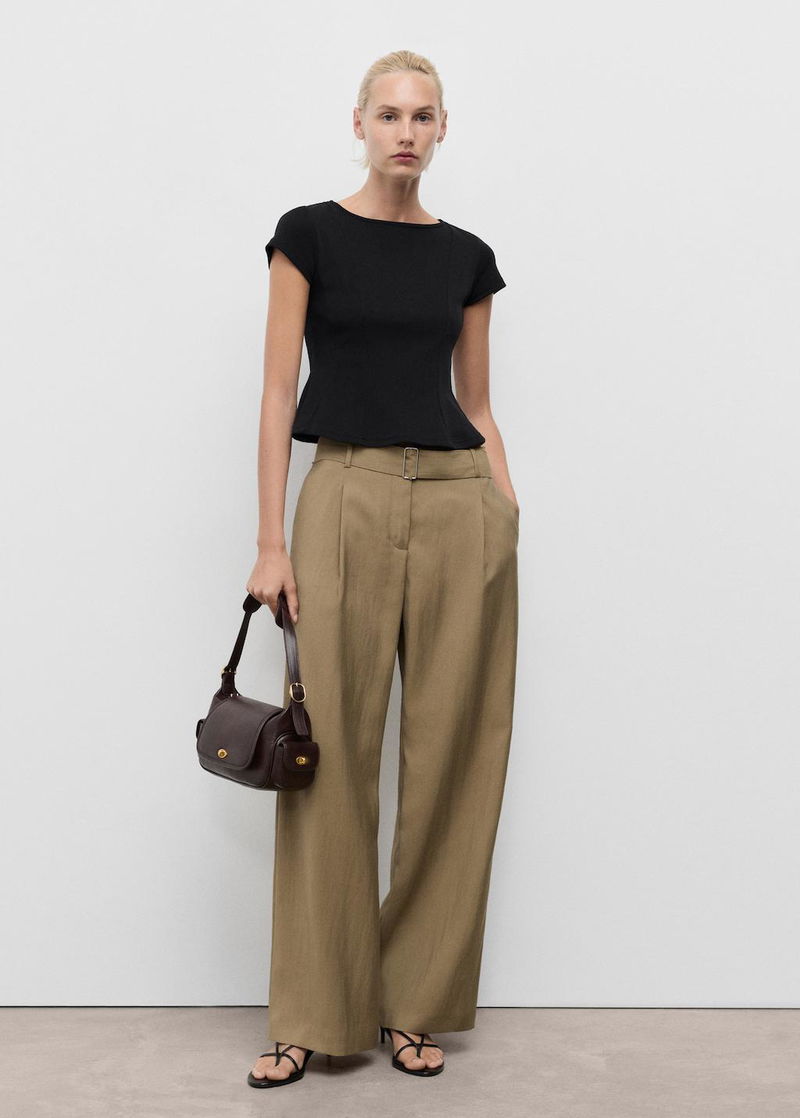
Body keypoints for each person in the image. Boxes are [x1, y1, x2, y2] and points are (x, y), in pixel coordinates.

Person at [246, 49, 519, 1088]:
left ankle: (415, 1002)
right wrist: (271, 542)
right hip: (345, 495)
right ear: (357, 123)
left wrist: (503, 514)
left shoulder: (467, 257)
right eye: (389, 114)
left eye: (423, 116)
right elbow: (278, 394)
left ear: (443, 129)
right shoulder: (307, 235)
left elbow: (477, 405)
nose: (406, 132)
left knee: (454, 754)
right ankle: (312, 1010)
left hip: (458, 503)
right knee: (328, 755)